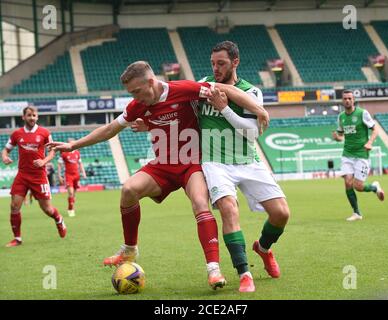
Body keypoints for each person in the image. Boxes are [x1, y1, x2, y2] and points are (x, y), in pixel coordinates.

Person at [47, 60, 269, 290]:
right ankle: (130, 249)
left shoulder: (182, 89)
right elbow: (110, 129)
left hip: (192, 164)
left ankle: (213, 269)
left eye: (136, 91)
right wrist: (73, 145)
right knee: (129, 190)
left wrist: (258, 109)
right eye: (130, 92)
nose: (134, 96)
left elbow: (226, 89)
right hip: (162, 165)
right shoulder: (138, 105)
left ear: (151, 82)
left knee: (200, 203)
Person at [133, 42, 290, 293]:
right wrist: (151, 123)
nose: (216, 69)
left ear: (235, 62)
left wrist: (224, 108)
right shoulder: (202, 87)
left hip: (247, 160)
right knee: (229, 208)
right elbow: (178, 114)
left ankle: (262, 248)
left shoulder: (252, 91)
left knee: (281, 213)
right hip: (215, 163)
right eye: (213, 63)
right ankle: (244, 273)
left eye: (222, 64)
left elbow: (251, 133)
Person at [1, 106, 67, 247]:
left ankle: (58, 219)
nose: (32, 118)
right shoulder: (16, 134)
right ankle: (17, 239)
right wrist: (5, 157)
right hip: (22, 175)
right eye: (29, 115)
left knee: (47, 209)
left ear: (37, 117)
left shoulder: (44, 133)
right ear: (23, 117)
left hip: (39, 176)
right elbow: (6, 149)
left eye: (34, 115)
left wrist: (43, 161)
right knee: (14, 206)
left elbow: (52, 151)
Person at [332, 90, 385, 221]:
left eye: (350, 98)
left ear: (353, 100)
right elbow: (340, 136)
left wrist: (370, 142)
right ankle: (356, 213)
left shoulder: (362, 113)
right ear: (342, 101)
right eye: (345, 99)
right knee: (348, 183)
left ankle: (374, 187)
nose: (347, 100)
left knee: (358, 186)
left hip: (361, 154)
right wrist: (336, 138)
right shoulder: (341, 117)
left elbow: (375, 129)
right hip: (347, 154)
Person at [58, 138, 87, 217]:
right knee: (70, 193)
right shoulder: (64, 153)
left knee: (73, 194)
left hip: (76, 175)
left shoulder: (77, 153)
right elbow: (59, 165)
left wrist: (83, 173)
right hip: (68, 175)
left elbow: (80, 164)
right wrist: (59, 175)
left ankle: (71, 205)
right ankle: (70, 209)